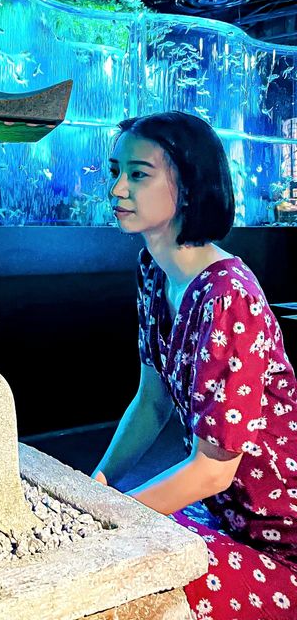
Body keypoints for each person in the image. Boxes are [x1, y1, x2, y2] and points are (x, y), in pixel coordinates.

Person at [94, 111, 297, 618]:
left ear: (187, 185)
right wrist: (96, 486)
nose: (117, 188)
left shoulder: (228, 296)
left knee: (119, 581)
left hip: (280, 538)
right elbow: (152, 401)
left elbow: (212, 472)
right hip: (224, 518)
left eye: (138, 174)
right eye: (115, 171)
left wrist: (110, 520)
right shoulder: (153, 270)